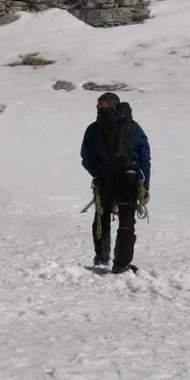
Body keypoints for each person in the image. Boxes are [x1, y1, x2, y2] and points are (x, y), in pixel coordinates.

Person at [80, 92, 151, 273]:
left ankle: (102, 258)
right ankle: (121, 264)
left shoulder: (93, 128)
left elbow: (86, 157)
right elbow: (144, 156)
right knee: (127, 220)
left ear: (101, 106)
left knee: (101, 216)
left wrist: (98, 173)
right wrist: (145, 186)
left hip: (105, 177)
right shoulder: (133, 127)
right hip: (130, 177)